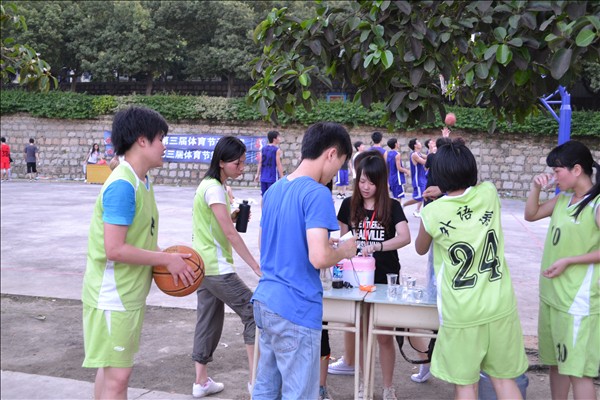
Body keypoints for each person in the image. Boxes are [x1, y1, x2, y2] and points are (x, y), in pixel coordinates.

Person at [81, 106, 196, 400]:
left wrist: (170, 257)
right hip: (112, 295)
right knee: (118, 379)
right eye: (161, 138)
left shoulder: (141, 181)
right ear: (142, 141)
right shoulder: (123, 185)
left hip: (127, 293)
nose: (164, 146)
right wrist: (165, 259)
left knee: (110, 371)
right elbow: (114, 248)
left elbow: (139, 240)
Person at [415, 139, 528, 399]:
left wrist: (437, 198)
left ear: (438, 177)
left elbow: (421, 248)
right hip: (500, 306)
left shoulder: (433, 212)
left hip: (462, 312)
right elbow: (474, 188)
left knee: (466, 385)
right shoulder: (489, 194)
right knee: (503, 380)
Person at [251, 122, 357, 399]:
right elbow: (319, 257)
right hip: (296, 307)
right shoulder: (317, 193)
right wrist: (345, 250)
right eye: (340, 165)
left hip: (266, 301)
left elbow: (266, 245)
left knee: (266, 387)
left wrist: (317, 245)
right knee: (299, 394)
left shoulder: (274, 191)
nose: (336, 173)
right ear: (331, 154)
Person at [330, 150, 411, 400]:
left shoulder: (392, 206)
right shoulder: (348, 205)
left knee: (384, 336)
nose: (365, 187)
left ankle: (387, 387)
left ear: (381, 182)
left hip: (384, 278)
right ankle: (363, 385)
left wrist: (378, 246)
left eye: (372, 182)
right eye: (362, 181)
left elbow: (405, 237)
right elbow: (343, 239)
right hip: (356, 278)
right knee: (363, 333)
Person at [524, 140, 599, 400]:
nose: (554, 176)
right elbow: (531, 214)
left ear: (576, 170)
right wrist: (535, 188)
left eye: (557, 171)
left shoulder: (596, 204)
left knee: (578, 372)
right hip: (552, 297)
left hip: (577, 302)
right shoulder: (563, 199)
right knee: (556, 363)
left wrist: (569, 261)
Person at [191, 136, 261, 398]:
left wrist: (232, 216)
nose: (241, 167)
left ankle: (201, 382)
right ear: (221, 162)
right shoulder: (214, 188)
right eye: (236, 163)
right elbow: (230, 234)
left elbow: (217, 223)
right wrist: (255, 266)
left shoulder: (210, 185)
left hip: (202, 265)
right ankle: (256, 382)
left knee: (207, 319)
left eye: (243, 162)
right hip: (217, 267)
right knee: (254, 312)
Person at [254, 130, 283, 196]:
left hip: (263, 177)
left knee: (264, 196)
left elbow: (260, 162)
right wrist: (282, 176)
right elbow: (278, 164)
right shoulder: (276, 150)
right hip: (272, 177)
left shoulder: (263, 148)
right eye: (278, 137)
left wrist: (257, 174)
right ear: (274, 139)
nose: (280, 139)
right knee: (272, 196)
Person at [403, 138, 427, 217]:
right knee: (420, 197)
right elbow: (424, 162)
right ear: (415, 145)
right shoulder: (414, 155)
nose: (420, 143)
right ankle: (403, 205)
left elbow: (427, 157)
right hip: (418, 180)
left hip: (422, 179)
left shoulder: (419, 153)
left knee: (424, 196)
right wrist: (433, 158)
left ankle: (418, 210)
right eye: (418, 142)